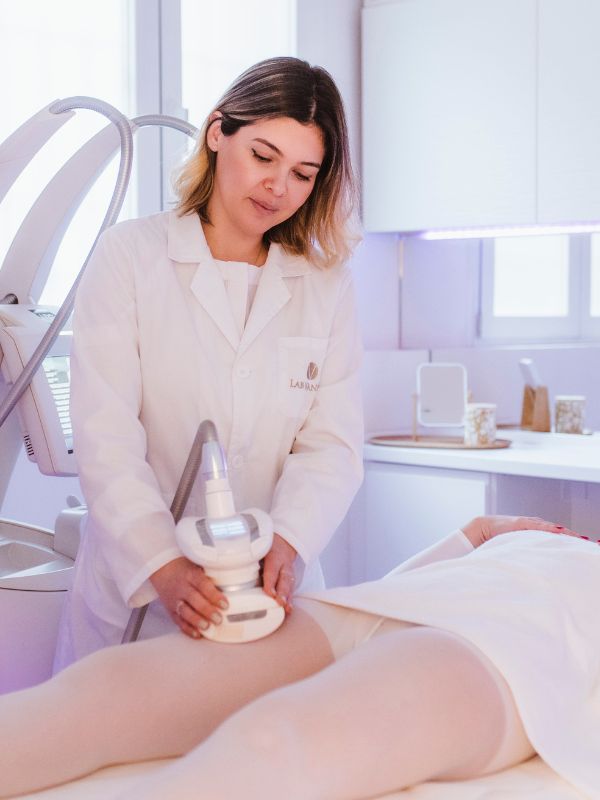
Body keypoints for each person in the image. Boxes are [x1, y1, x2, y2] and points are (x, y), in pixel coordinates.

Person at [54, 57, 364, 669]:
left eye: (303, 174)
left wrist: (290, 542)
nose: (278, 188)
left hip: (270, 593)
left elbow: (332, 445)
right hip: (141, 601)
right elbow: (105, 437)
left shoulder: (325, 285)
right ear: (218, 133)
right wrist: (162, 565)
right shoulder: (130, 258)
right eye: (263, 156)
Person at [1, 514, 599, 800]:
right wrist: (478, 533)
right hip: (378, 607)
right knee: (115, 689)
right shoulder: (529, 532)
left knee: (277, 740)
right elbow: (401, 585)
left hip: (503, 652)